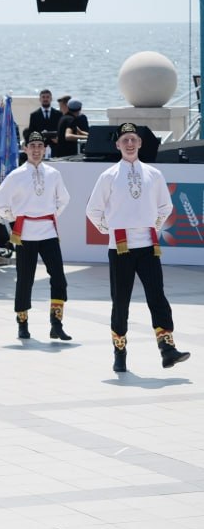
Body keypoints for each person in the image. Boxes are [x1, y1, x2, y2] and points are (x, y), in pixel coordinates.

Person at [85, 122, 191, 373]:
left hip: (148, 245)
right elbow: (93, 210)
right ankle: (119, 351)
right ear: (117, 145)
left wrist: (152, 226)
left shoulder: (154, 174)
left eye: (133, 139)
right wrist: (109, 229)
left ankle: (167, 348)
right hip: (120, 246)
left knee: (157, 296)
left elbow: (165, 206)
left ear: (140, 143)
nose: (130, 144)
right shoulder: (108, 176)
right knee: (120, 301)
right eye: (125, 140)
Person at [0, 132, 71, 340]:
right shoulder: (16, 175)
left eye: (39, 146)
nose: (36, 150)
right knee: (25, 279)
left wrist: (50, 214)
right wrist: (15, 217)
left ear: (45, 149)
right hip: (25, 233)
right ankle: (22, 322)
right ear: (25, 149)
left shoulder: (53, 174)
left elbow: (63, 199)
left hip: (48, 232)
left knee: (59, 278)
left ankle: (56, 322)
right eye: (32, 145)